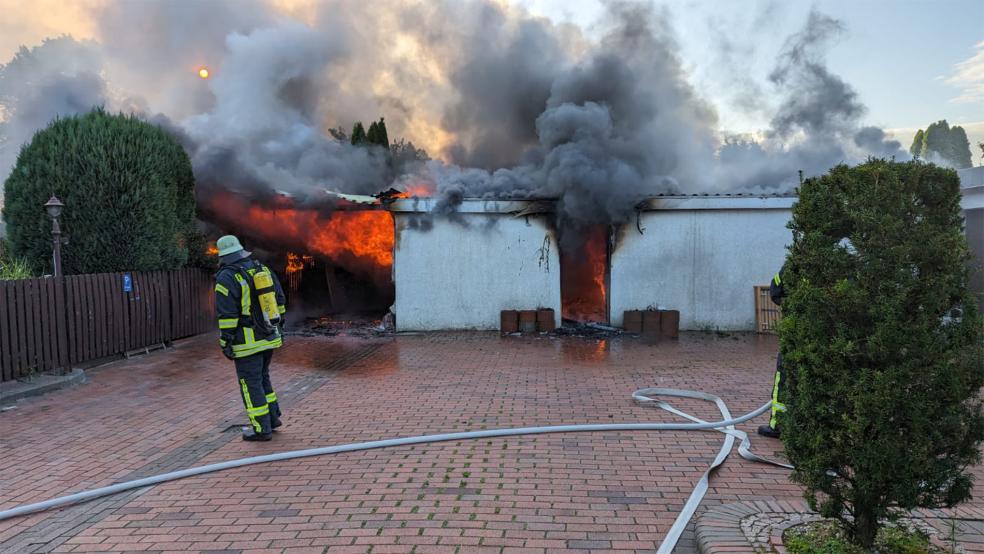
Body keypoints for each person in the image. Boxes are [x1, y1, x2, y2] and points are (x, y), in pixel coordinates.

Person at [214, 235, 287, 441]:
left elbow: (227, 315)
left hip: (246, 343)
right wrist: (279, 325)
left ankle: (261, 429)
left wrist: (225, 341)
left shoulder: (226, 277)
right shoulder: (261, 269)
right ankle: (272, 419)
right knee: (263, 377)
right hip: (269, 336)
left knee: (250, 384)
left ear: (224, 257)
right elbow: (280, 300)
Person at [758, 267, 786, 439]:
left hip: (796, 334)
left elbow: (775, 289)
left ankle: (778, 426)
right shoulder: (841, 265)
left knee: (784, 379)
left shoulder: (794, 264)